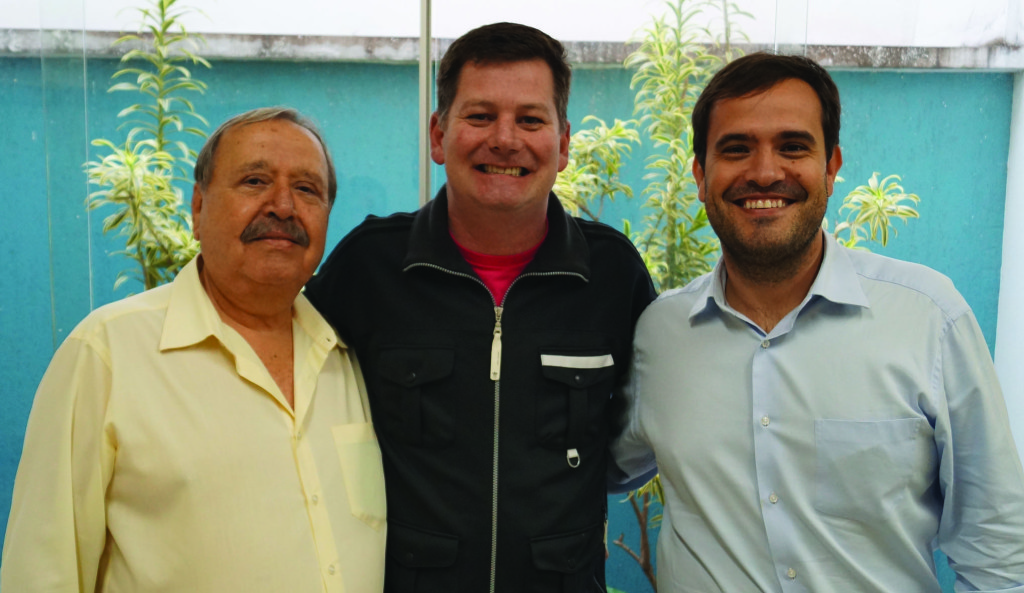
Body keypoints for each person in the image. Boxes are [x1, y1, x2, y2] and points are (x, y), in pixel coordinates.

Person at [610, 52, 1024, 592]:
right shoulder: (661, 334)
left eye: (793, 146)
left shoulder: (928, 318)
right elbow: (584, 467)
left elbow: (996, 549)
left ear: (831, 167)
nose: (764, 172)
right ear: (699, 175)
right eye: (736, 149)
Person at [305, 22, 655, 593]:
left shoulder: (611, 274)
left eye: (530, 119)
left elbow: (641, 430)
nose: (505, 139)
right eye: (480, 116)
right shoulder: (370, 267)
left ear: (563, 144)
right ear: (439, 136)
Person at [1, 107, 386, 592]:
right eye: (254, 181)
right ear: (198, 208)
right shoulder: (108, 352)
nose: (283, 206)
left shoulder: (349, 354)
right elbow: (41, 572)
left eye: (308, 189)